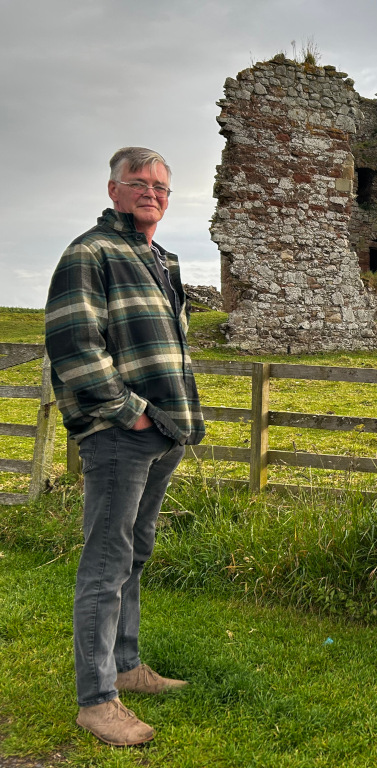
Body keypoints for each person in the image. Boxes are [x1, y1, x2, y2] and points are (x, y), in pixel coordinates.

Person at [45, 147, 205, 747]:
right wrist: (129, 414)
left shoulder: (160, 257)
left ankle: (126, 665)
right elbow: (74, 344)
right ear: (113, 190)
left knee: (134, 553)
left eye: (162, 186)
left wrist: (165, 424)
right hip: (121, 435)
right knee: (106, 565)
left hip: (163, 432)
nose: (152, 192)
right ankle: (97, 700)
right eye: (138, 183)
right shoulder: (90, 253)